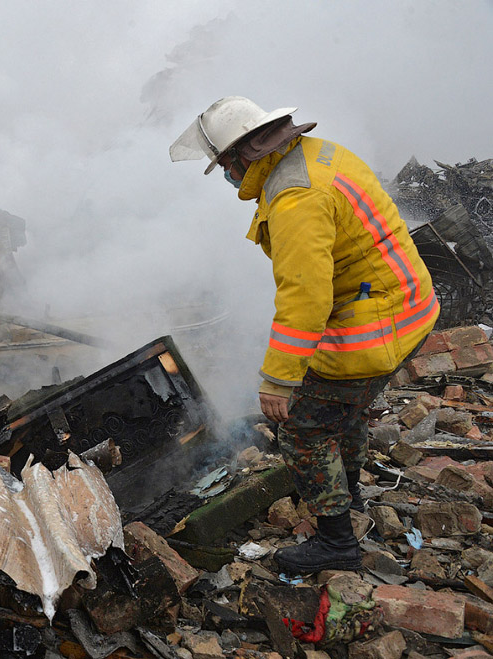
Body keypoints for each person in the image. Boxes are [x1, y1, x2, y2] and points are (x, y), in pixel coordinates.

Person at [170, 97, 439, 574]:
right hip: (407, 308)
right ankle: (349, 493)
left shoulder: (296, 196)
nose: (226, 176)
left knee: (301, 429)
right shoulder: (321, 154)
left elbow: (305, 296)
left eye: (224, 165)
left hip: (373, 325)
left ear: (240, 155)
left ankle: (336, 543)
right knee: (344, 409)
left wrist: (277, 381)